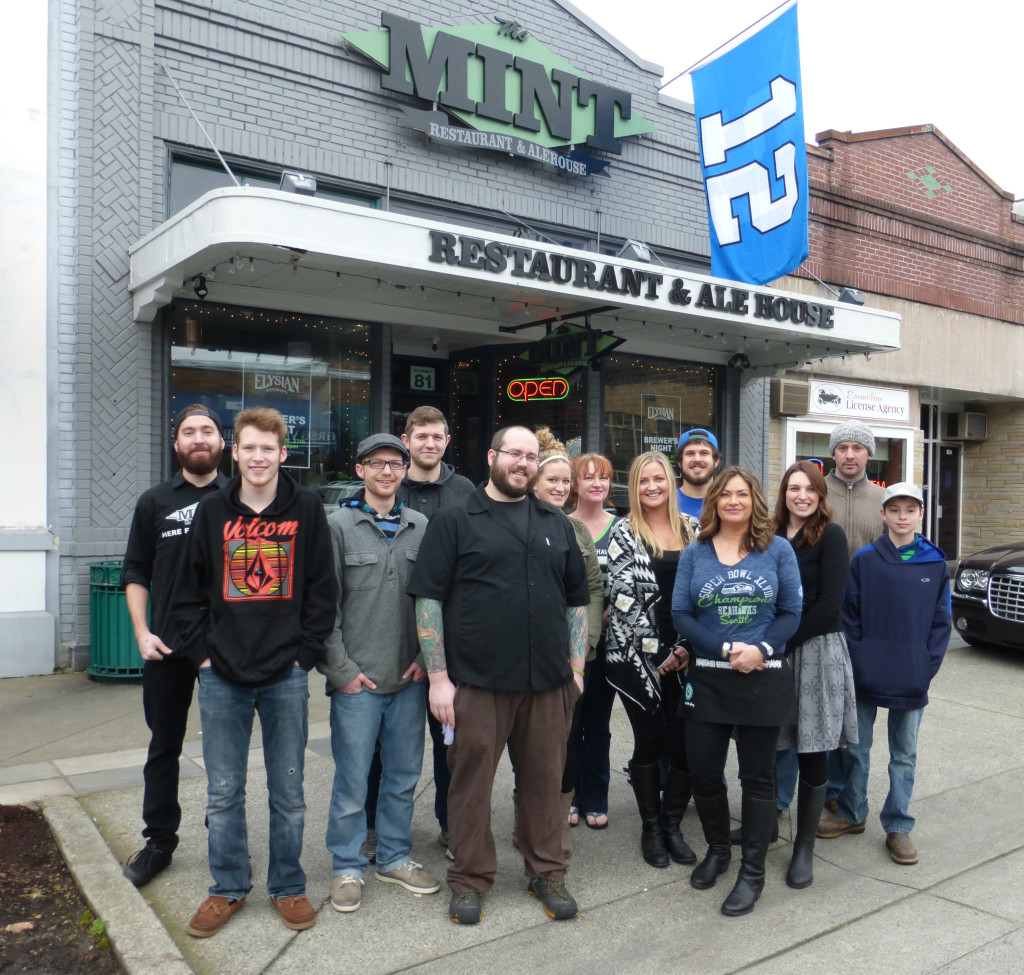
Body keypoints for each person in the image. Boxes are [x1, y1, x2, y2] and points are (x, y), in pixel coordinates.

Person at [407, 425, 589, 925]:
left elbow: (577, 601)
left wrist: (576, 670)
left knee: (545, 784)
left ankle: (547, 872)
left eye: (532, 457)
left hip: (548, 684)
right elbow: (429, 599)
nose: (523, 464)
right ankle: (469, 879)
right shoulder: (455, 519)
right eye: (514, 454)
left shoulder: (555, 521)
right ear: (492, 457)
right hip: (478, 683)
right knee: (469, 787)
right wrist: (440, 678)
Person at [173, 407, 337, 937]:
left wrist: (304, 655)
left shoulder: (307, 508)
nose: (259, 457)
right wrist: (202, 655)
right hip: (222, 674)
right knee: (223, 791)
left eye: (269, 448)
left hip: (285, 673)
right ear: (234, 451)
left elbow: (321, 590)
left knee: (288, 789)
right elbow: (186, 593)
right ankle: (227, 887)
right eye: (249, 447)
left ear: (282, 453)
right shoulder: (212, 512)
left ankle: (288, 886)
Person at [672, 466, 802, 917]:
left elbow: (791, 610)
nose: (733, 501)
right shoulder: (696, 551)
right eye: (725, 494)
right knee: (705, 773)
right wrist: (728, 648)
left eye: (741, 495)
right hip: (708, 677)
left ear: (754, 501)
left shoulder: (778, 550)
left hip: (762, 677)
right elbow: (682, 615)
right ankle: (718, 850)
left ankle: (752, 871)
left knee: (757, 777)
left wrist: (761, 649)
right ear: (714, 502)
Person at [320, 433, 440, 914]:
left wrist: (427, 658)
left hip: (409, 678)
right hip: (357, 682)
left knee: (403, 775)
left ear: (405, 471)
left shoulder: (421, 526)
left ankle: (394, 855)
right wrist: (341, 670)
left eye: (395, 463)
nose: (387, 471)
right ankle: (347, 865)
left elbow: (433, 599)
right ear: (361, 469)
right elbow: (323, 606)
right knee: (352, 778)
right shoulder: (337, 526)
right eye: (377, 463)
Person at [119, 405, 228, 887]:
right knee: (164, 745)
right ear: (176, 443)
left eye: (207, 430)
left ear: (222, 442)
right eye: (189, 432)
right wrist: (141, 632)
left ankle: (223, 832)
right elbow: (136, 571)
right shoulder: (155, 500)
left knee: (226, 748)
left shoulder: (242, 496)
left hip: (226, 648)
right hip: (165, 647)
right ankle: (159, 841)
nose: (199, 438)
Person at [817, 483, 951, 866]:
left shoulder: (934, 564)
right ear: (884, 514)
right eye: (895, 509)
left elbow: (941, 623)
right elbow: (849, 616)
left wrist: (926, 666)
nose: (902, 516)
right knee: (855, 748)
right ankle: (851, 811)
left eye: (911, 509)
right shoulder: (864, 560)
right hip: (867, 673)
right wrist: (859, 659)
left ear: (921, 514)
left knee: (904, 755)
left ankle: (898, 825)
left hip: (912, 674)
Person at [362, 406, 475, 864]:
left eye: (438, 436)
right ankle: (375, 829)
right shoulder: (388, 485)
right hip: (390, 641)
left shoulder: (465, 491)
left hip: (450, 644)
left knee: (452, 744)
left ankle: (451, 825)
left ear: (448, 441)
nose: (430, 443)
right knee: (381, 750)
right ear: (407, 441)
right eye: (421, 436)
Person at [605, 451, 696, 869]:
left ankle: (673, 823)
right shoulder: (624, 531)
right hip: (635, 656)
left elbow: (705, 593)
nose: (652, 487)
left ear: (671, 482)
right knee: (649, 739)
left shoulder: (693, 530)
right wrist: (657, 652)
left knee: (684, 743)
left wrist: (684, 648)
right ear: (634, 488)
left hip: (688, 654)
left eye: (658, 479)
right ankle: (651, 826)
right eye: (643, 481)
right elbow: (621, 597)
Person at [771, 462, 858, 888]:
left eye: (809, 489)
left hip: (815, 650)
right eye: (793, 487)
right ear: (784, 492)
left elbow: (828, 606)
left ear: (821, 495)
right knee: (768, 740)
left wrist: (780, 644)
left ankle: (804, 845)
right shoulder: (766, 536)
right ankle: (767, 823)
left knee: (812, 746)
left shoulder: (830, 536)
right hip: (774, 651)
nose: (801, 495)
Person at [528, 428, 603, 854]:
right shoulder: (514, 519)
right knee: (531, 746)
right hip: (525, 654)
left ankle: (557, 821)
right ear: (534, 483)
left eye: (564, 481)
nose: (559, 488)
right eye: (551, 481)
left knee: (565, 739)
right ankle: (530, 817)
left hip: (571, 656)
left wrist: (586, 644)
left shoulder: (577, 530)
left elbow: (592, 588)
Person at [568, 451, 620, 830]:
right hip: (569, 645)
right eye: (588, 478)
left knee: (598, 723)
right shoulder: (561, 524)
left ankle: (596, 796)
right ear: (575, 484)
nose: (596, 484)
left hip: (609, 645)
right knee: (568, 723)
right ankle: (568, 793)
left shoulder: (622, 528)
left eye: (602, 477)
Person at [826, 421, 886, 557]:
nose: (849, 455)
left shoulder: (885, 499)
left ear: (869, 453)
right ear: (833, 454)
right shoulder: (814, 493)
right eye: (842, 448)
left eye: (857, 448)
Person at [675, 428, 721, 535]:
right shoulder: (666, 503)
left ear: (716, 461)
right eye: (690, 453)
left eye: (704, 453)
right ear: (680, 462)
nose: (697, 459)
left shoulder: (728, 503)